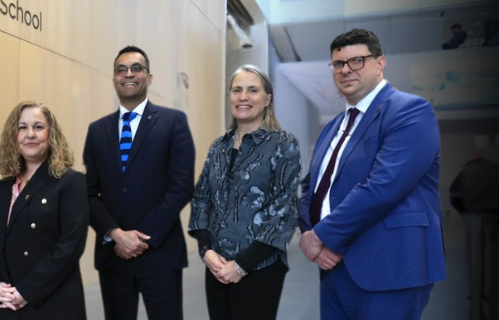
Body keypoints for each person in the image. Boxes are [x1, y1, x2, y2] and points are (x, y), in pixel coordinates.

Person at [297, 28, 447, 320]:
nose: (346, 70)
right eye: (338, 64)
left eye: (357, 61)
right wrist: (309, 234)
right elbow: (311, 186)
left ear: (380, 63)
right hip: (334, 267)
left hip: (389, 267)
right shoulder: (334, 126)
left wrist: (322, 235)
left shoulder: (410, 111)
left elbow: (383, 186)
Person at [83, 45, 196, 320]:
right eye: (121, 70)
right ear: (114, 80)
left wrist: (140, 237)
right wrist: (116, 234)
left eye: (136, 68)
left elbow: (181, 187)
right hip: (114, 254)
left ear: (149, 77)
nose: (128, 74)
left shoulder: (173, 122)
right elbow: (89, 193)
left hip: (160, 252)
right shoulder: (97, 130)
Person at [188, 64, 301, 320]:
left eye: (252, 90)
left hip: (260, 267)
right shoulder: (219, 146)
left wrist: (241, 266)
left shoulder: (283, 144)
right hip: (216, 266)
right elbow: (201, 200)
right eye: (237, 90)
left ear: (267, 99)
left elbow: (284, 211)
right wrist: (206, 250)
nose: (243, 97)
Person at [0, 101, 90, 319]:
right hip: (5, 304)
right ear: (14, 136)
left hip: (51, 304)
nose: (30, 134)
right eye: (22, 127)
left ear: (51, 135)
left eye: (38, 127)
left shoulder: (70, 183)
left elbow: (69, 247)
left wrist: (26, 291)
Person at [449, 138, 499, 320]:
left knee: (474, 261)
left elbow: (455, 195)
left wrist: (465, 212)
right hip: (496, 219)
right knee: (495, 261)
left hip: (473, 217)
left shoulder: (468, 171)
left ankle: (475, 308)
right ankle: (492, 298)